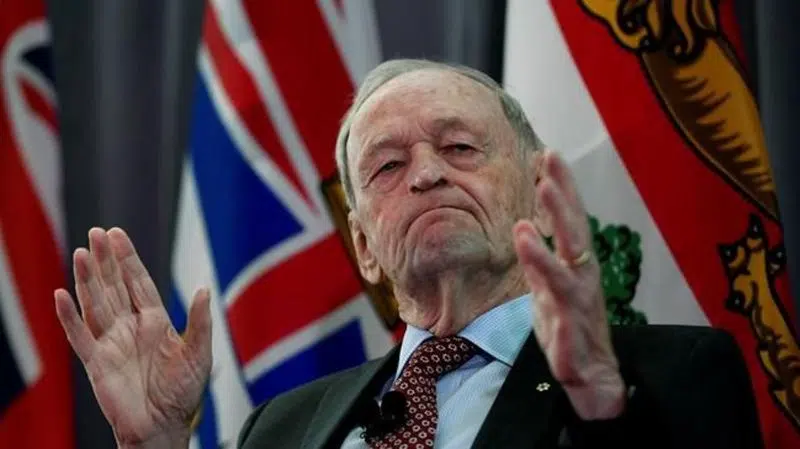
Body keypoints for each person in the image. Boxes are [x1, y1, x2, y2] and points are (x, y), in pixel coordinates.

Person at [54, 59, 764, 449]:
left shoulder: (670, 375)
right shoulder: (281, 427)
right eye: (388, 166)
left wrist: (602, 407)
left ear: (539, 196)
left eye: (460, 147)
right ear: (364, 246)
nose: (426, 174)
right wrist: (157, 445)